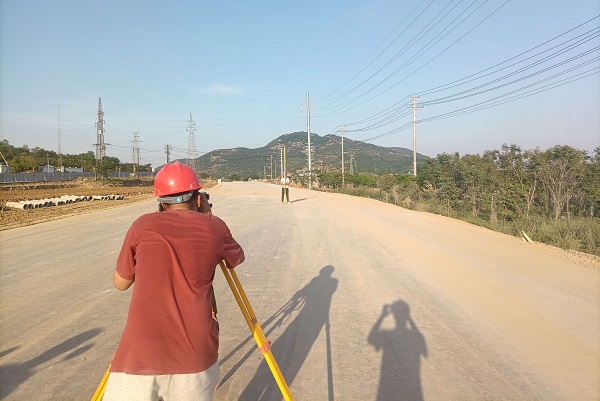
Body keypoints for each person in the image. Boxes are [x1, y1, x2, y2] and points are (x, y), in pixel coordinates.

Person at [103, 161, 245, 401]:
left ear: (161, 202)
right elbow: (236, 258)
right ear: (198, 199)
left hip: (139, 352)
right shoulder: (215, 227)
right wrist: (208, 217)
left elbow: (121, 283)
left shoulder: (141, 225)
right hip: (194, 355)